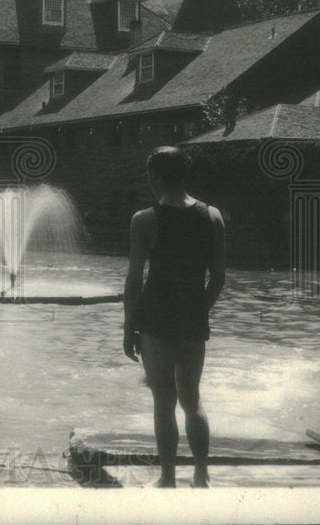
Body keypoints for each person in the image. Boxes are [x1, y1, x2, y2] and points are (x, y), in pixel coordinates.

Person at [123, 146, 225, 488]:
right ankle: (202, 475)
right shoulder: (212, 216)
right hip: (192, 319)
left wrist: (129, 327)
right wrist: (199, 310)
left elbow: (134, 280)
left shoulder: (144, 220)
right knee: (192, 399)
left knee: (163, 403)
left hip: (155, 319)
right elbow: (219, 277)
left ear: (154, 176)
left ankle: (167, 478)